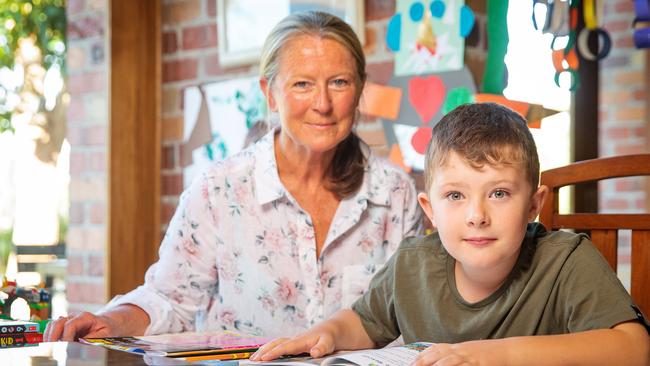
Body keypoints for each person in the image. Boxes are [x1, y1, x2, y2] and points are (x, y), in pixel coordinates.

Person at [44, 11, 423, 341]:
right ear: (271, 94)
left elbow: (410, 316)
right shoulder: (219, 189)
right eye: (302, 84)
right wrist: (109, 320)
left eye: (338, 82)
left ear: (358, 90)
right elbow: (169, 298)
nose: (322, 104)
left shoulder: (396, 193)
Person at [251, 103, 650, 365]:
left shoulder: (565, 259)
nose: (477, 215)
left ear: (534, 204)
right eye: (455, 195)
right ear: (430, 211)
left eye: (498, 193)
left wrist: (490, 356)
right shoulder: (413, 263)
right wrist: (326, 334)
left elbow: (634, 348)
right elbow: (363, 322)